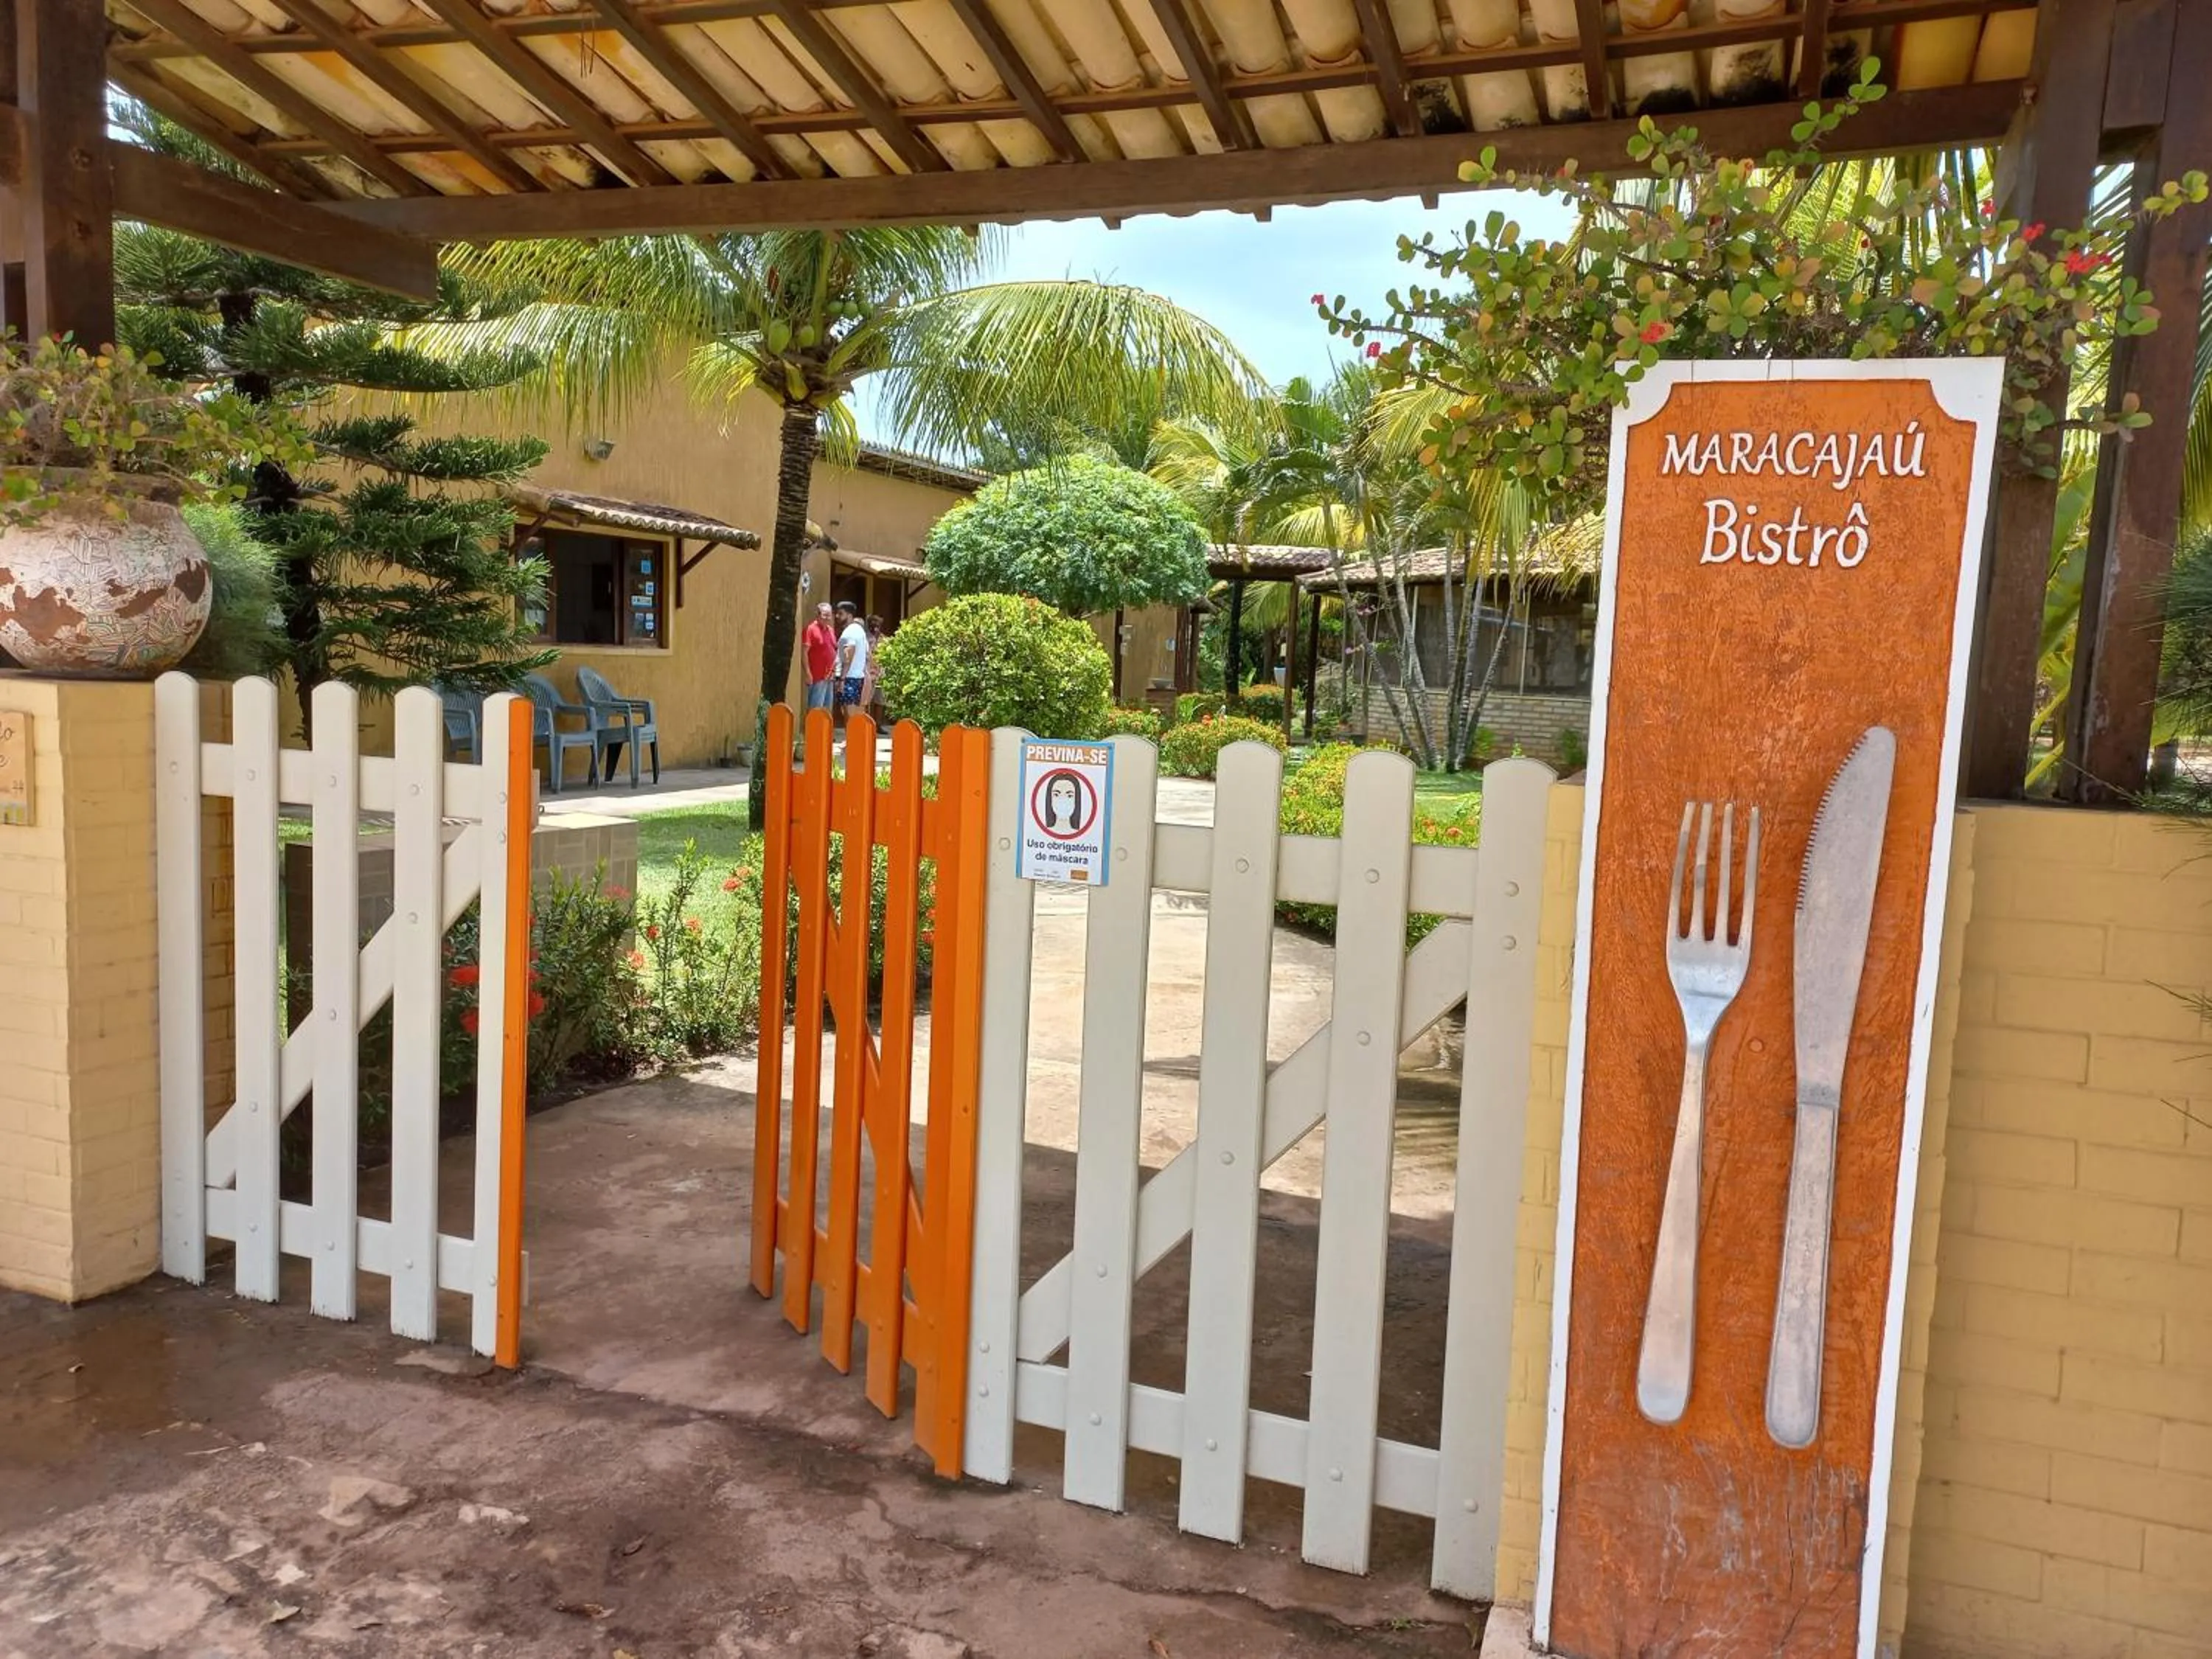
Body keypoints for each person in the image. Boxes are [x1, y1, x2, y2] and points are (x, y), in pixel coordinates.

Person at [835, 601, 870, 727]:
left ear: (849, 615)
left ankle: (852, 742)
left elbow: (849, 653)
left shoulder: (849, 631)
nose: (837, 616)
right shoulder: (859, 630)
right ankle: (854, 741)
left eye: (840, 614)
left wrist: (842, 679)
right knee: (856, 713)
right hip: (857, 677)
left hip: (849, 678)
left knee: (849, 713)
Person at [800, 601, 838, 712]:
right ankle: (812, 729)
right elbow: (804, 653)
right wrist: (808, 673)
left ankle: (824, 730)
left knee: (827, 710)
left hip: (829, 676)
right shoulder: (810, 629)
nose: (827, 618)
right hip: (817, 676)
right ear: (818, 615)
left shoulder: (831, 630)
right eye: (824, 614)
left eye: (829, 615)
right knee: (816, 709)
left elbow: (833, 650)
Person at [862, 614, 886, 721]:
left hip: (881, 673)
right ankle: (866, 723)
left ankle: (878, 724)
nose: (875, 626)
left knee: (880, 700)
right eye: (873, 623)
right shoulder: (864, 637)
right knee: (866, 700)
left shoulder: (883, 639)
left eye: (878, 623)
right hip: (868, 672)